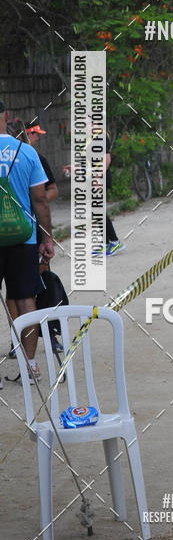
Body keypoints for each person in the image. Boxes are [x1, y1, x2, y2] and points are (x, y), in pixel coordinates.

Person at [0, 101, 54, 387]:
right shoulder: (27, 152)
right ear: (7, 116)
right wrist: (47, 238)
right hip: (23, 237)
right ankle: (30, 366)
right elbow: (40, 200)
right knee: (25, 300)